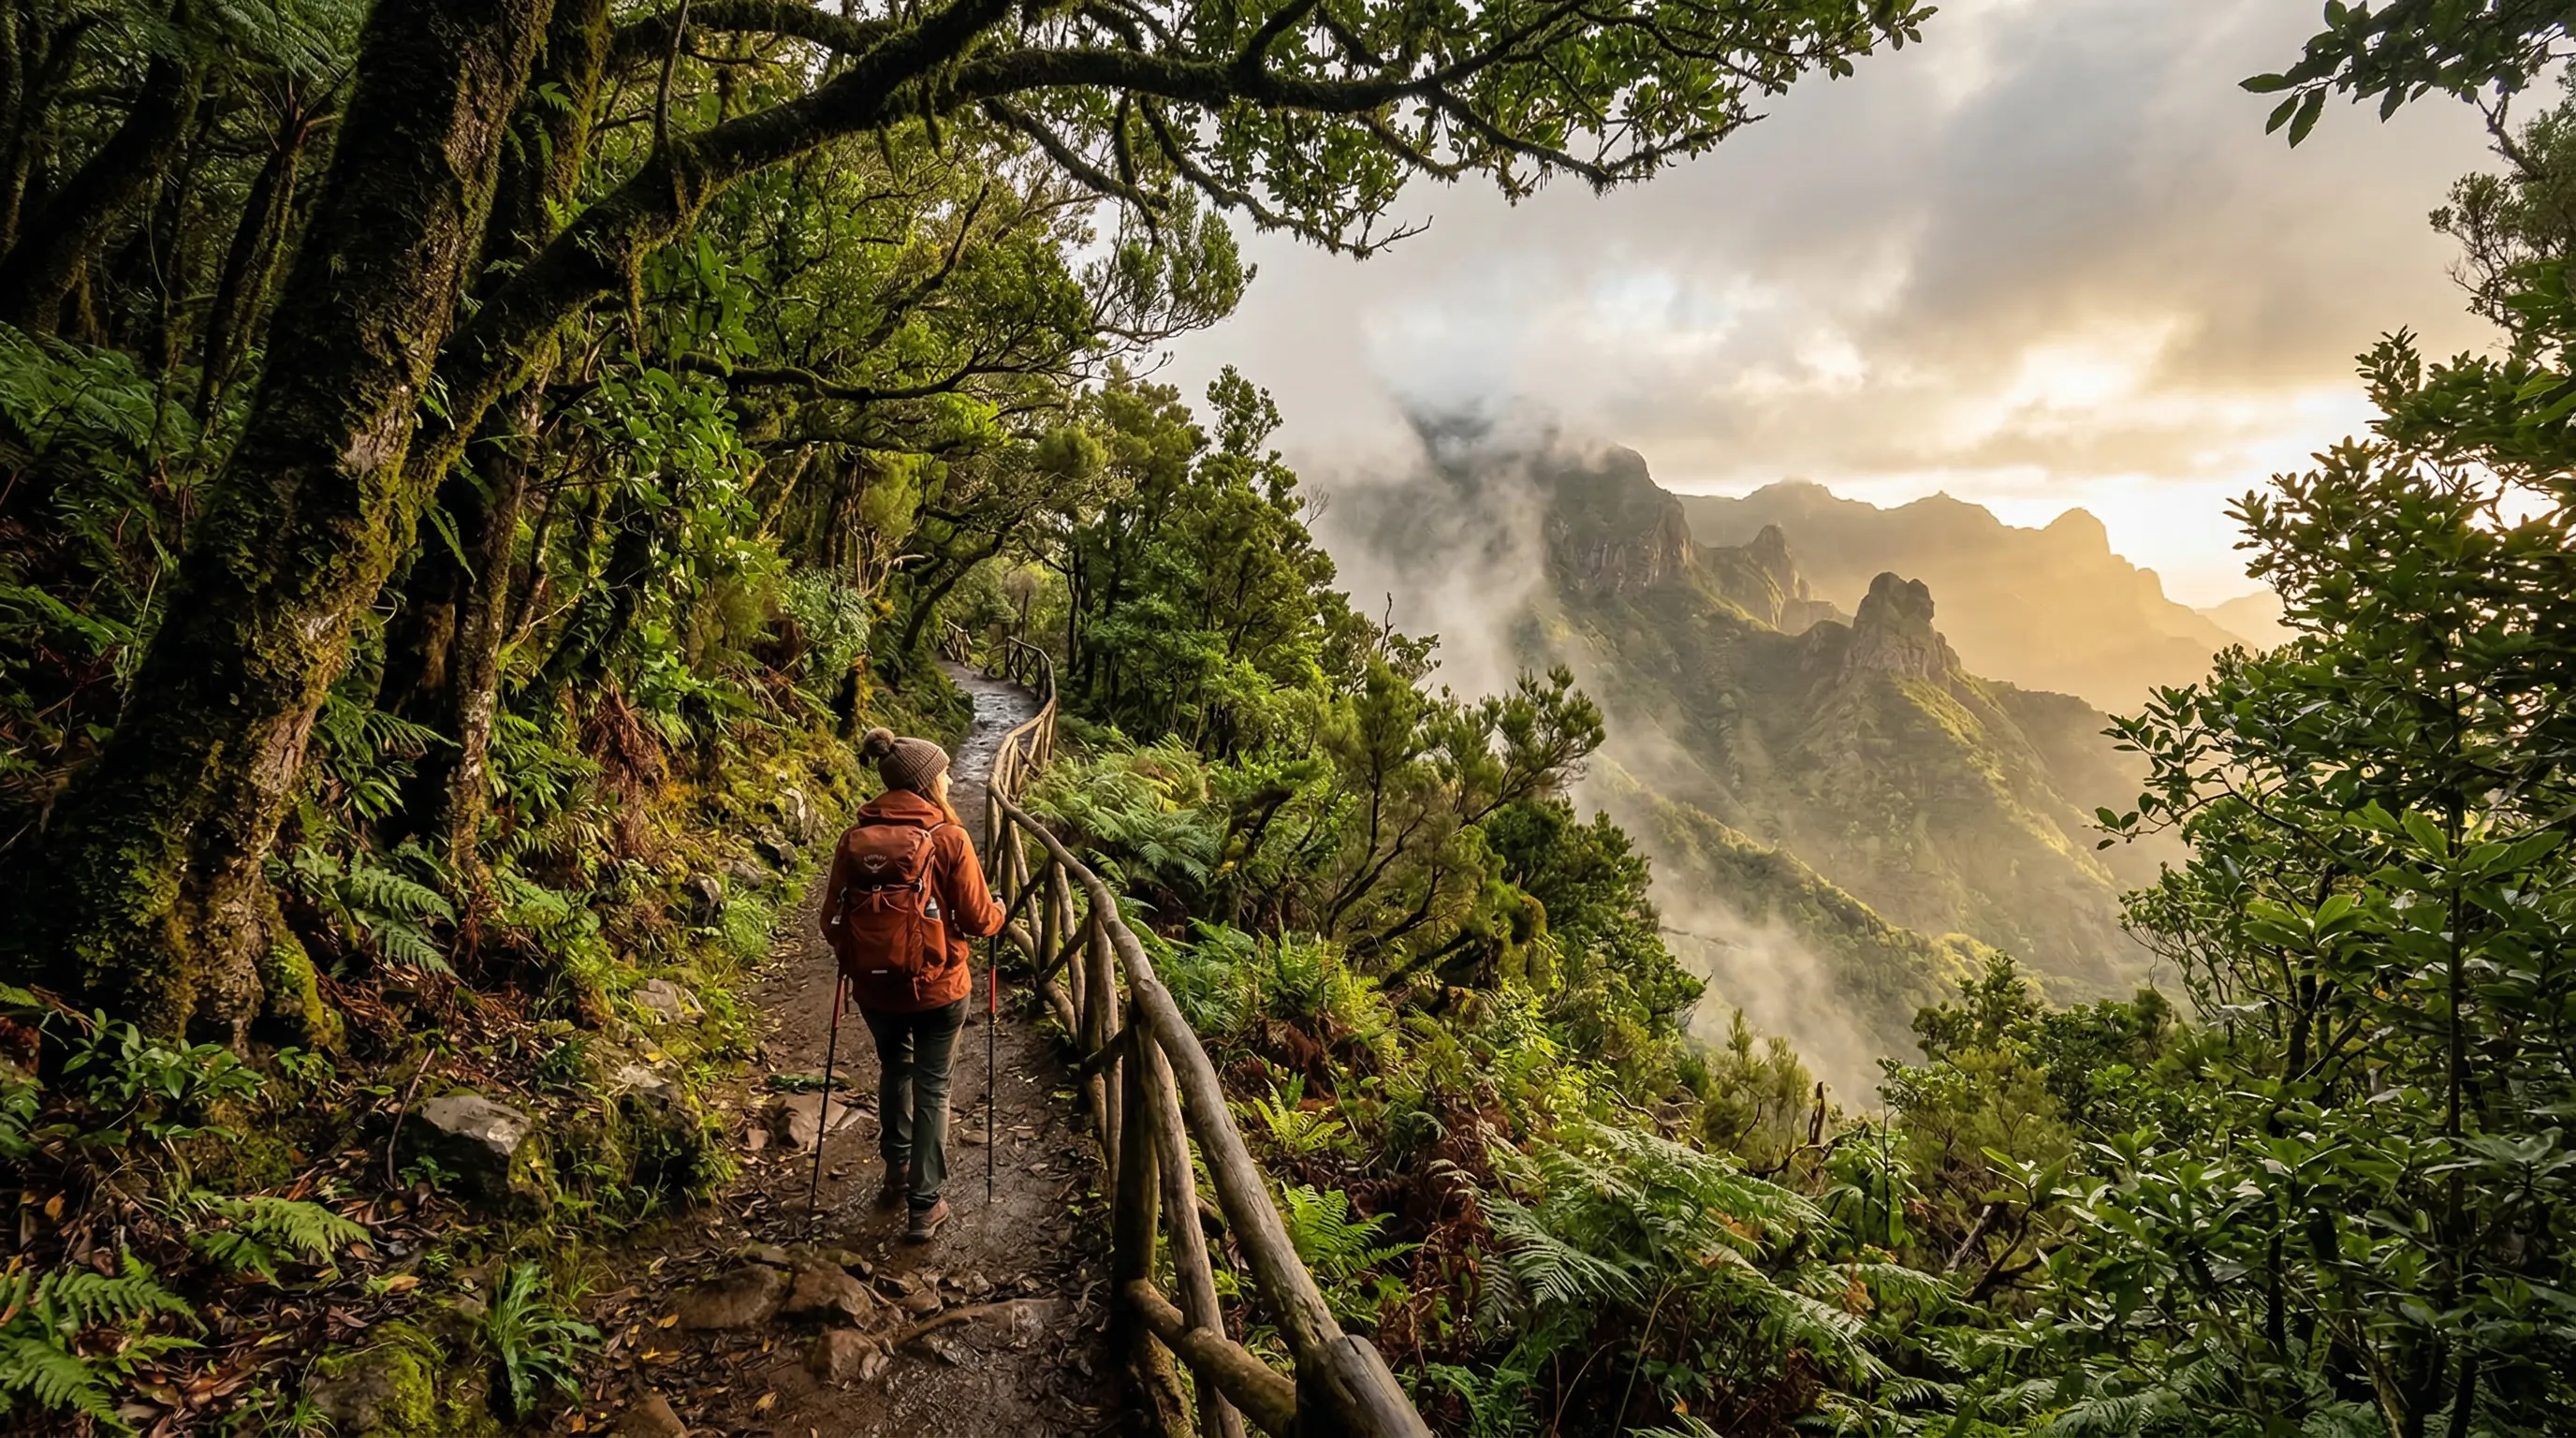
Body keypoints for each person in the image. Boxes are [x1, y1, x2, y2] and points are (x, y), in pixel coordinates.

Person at [821, 727, 1004, 1241]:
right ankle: (925, 1205)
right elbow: (977, 918)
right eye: (943, 772)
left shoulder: (854, 838)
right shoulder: (948, 838)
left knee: (893, 1068)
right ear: (927, 783)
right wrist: (1000, 914)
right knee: (933, 1085)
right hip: (939, 989)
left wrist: (862, 958)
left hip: (876, 992)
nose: (948, 777)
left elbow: (830, 921)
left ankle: (897, 1169)